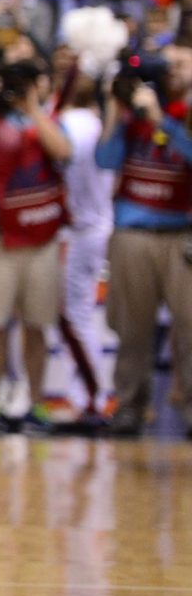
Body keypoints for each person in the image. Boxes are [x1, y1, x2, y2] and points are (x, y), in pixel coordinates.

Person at [0, 60, 72, 433]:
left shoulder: (48, 117)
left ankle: (36, 403)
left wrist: (34, 109)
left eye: (27, 83)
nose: (18, 91)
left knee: (37, 324)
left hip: (39, 235)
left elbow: (61, 150)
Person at [94, 56, 192, 437]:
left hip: (179, 233)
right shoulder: (130, 117)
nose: (172, 74)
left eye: (179, 67)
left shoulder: (180, 114)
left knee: (189, 327)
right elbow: (105, 161)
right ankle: (130, 406)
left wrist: (161, 120)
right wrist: (115, 112)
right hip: (133, 234)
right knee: (132, 328)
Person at [56, 69, 113, 417]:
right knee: (82, 315)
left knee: (76, 316)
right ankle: (88, 394)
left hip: (78, 229)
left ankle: (89, 395)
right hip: (101, 223)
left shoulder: (66, 124)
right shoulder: (102, 124)